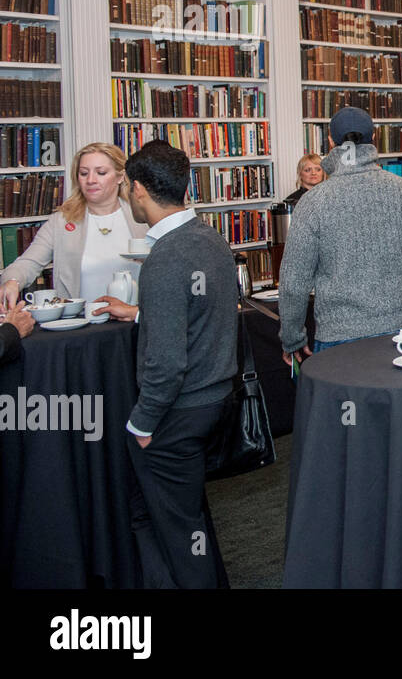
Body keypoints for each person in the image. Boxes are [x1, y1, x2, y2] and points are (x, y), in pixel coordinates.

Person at [121, 140, 237, 588]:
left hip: (178, 413)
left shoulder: (167, 256)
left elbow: (167, 362)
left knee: (176, 531)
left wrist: (142, 422)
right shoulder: (209, 238)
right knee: (181, 521)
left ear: (138, 190)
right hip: (211, 401)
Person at [279, 107, 402, 364]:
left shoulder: (314, 201)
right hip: (401, 331)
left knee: (344, 406)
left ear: (330, 142)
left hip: (340, 337)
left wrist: (292, 338)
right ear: (374, 137)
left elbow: (294, 281)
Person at [0, 142, 148, 307]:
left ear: (120, 177)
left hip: (137, 322)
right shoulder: (61, 221)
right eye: (84, 173)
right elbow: (29, 262)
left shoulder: (142, 217)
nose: (90, 180)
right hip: (82, 324)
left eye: (101, 172)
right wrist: (12, 281)